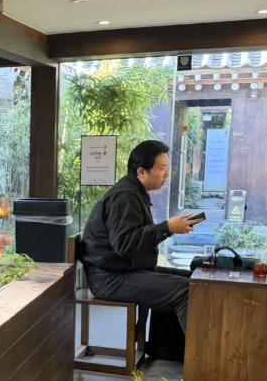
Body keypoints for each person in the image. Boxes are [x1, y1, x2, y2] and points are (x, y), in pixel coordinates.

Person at [79, 139, 196, 334]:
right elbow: (124, 244)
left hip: (125, 270)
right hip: (108, 277)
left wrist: (166, 228)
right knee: (187, 291)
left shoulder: (134, 192)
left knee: (196, 281)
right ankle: (198, 352)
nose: (167, 174)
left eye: (167, 168)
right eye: (162, 169)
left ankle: (166, 349)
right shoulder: (125, 196)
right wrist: (167, 228)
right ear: (141, 172)